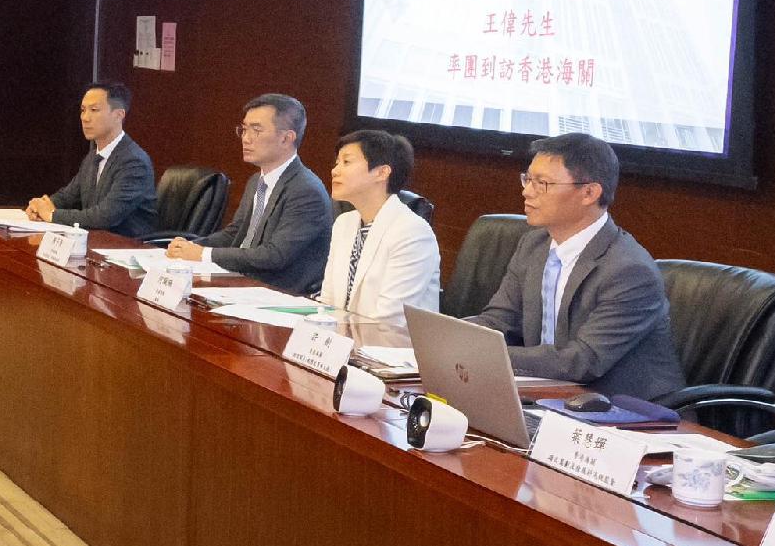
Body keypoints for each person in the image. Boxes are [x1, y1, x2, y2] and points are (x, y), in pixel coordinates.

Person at [467, 132, 684, 403]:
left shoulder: (629, 270)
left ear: (589, 193)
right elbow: (498, 320)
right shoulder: (533, 245)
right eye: (527, 179)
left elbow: (582, 360)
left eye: (542, 183)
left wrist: (482, 352)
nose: (527, 191)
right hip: (549, 397)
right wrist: (449, 336)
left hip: (627, 413)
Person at [164, 93, 333, 293]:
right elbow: (235, 233)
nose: (246, 138)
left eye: (256, 130)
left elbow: (275, 256)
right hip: (241, 282)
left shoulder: (306, 190)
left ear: (286, 138)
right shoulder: (257, 181)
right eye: (244, 129)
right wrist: (189, 246)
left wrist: (203, 254)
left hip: (276, 293)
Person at [306, 126, 441, 328]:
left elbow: (390, 320)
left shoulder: (413, 233)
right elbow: (329, 301)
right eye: (337, 163)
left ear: (381, 172)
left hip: (393, 352)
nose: (335, 170)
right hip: (343, 344)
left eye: (347, 162)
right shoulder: (345, 223)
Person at [23, 82, 154, 237]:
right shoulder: (93, 156)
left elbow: (104, 217)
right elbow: (68, 196)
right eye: (83, 110)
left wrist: (52, 215)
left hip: (126, 248)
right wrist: (42, 206)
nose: (85, 118)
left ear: (119, 115)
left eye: (94, 110)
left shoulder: (134, 162)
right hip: (95, 244)